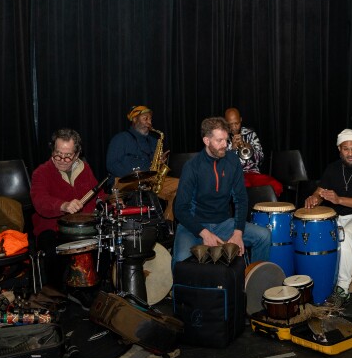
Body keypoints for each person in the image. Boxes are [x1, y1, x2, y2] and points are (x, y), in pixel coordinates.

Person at [171, 117, 271, 264]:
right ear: (206, 141)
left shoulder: (232, 161)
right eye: (219, 141)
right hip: (194, 225)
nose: (225, 144)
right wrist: (205, 233)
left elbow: (241, 200)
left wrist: (238, 232)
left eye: (226, 139)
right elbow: (180, 209)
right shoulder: (192, 167)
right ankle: (177, 288)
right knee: (180, 260)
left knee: (264, 236)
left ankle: (252, 283)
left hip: (223, 223)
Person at [303, 128, 352, 307]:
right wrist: (314, 198)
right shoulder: (332, 168)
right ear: (339, 149)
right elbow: (320, 192)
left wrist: (339, 199)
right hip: (336, 217)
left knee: (344, 236)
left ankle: (342, 289)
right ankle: (315, 281)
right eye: (346, 149)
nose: (350, 153)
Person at [30, 128, 106, 292]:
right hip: (52, 228)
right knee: (53, 250)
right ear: (52, 150)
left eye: (68, 155)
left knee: (106, 243)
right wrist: (63, 205)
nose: (62, 159)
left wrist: (110, 201)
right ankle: (56, 293)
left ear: (77, 154)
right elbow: (40, 201)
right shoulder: (41, 173)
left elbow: (98, 194)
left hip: (82, 228)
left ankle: (90, 290)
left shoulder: (85, 169)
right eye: (58, 154)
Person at [106, 105, 179, 221]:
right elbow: (111, 164)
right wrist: (134, 176)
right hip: (123, 181)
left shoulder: (154, 141)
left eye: (150, 119)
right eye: (145, 118)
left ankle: (167, 224)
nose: (149, 122)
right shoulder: (120, 138)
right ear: (134, 119)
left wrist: (159, 164)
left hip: (149, 180)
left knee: (182, 186)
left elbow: (153, 167)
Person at [224, 107, 283, 196]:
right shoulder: (222, 138)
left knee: (276, 186)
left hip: (253, 173)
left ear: (240, 120)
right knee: (246, 189)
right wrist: (232, 149)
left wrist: (251, 148)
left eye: (236, 123)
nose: (234, 127)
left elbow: (261, 159)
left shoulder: (251, 134)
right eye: (230, 124)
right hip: (235, 175)